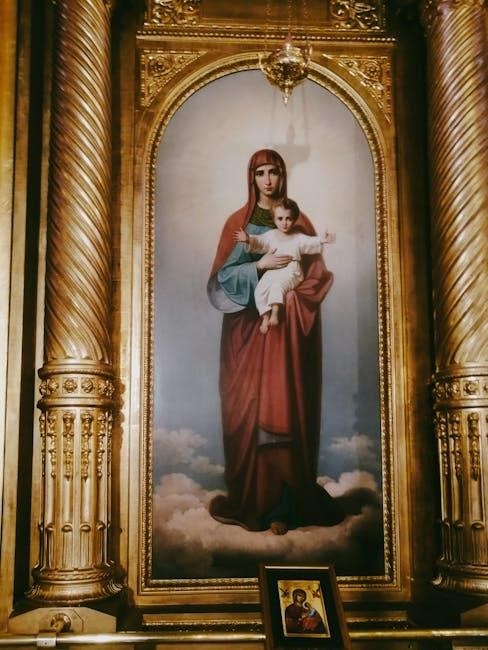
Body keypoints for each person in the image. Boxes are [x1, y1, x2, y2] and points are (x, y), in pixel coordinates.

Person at [207, 148, 344, 535]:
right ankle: (253, 500)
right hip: (247, 335)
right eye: (261, 173)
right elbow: (218, 283)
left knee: (285, 406)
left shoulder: (299, 223)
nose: (268, 180)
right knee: (248, 412)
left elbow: (316, 275)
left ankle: (288, 504)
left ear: (283, 177)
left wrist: (292, 298)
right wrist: (259, 266)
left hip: (287, 336)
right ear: (251, 178)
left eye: (275, 172)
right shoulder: (239, 224)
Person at [234, 197, 335, 333]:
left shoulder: (298, 237)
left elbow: (310, 242)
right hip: (274, 271)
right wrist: (248, 239)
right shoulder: (271, 235)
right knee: (259, 290)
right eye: (280, 219)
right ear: (274, 219)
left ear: (294, 219)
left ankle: (275, 314)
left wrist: (323, 240)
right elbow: (260, 241)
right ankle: (265, 316)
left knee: (277, 286)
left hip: (292, 271)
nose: (284, 223)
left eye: (289, 219)